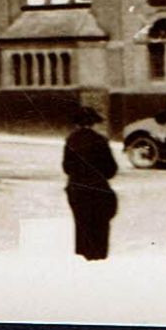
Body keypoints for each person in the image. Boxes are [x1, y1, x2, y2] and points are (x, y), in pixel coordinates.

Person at [62, 105, 118, 260]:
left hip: (77, 190)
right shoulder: (100, 140)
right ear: (93, 123)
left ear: (76, 123)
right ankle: (98, 261)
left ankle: (85, 262)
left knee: (82, 228)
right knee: (99, 230)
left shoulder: (71, 141)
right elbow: (111, 169)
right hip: (98, 191)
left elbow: (66, 167)